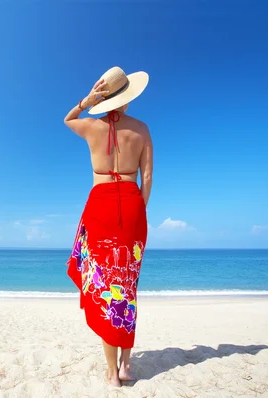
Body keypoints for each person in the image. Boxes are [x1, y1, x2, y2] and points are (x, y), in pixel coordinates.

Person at [63, 66, 153, 387]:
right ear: (127, 99)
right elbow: (148, 178)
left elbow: (67, 119)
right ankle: (127, 366)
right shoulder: (141, 129)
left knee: (104, 287)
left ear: (104, 98)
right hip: (131, 206)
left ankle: (112, 374)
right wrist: (138, 213)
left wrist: (86, 100)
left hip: (99, 205)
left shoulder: (90, 126)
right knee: (127, 287)